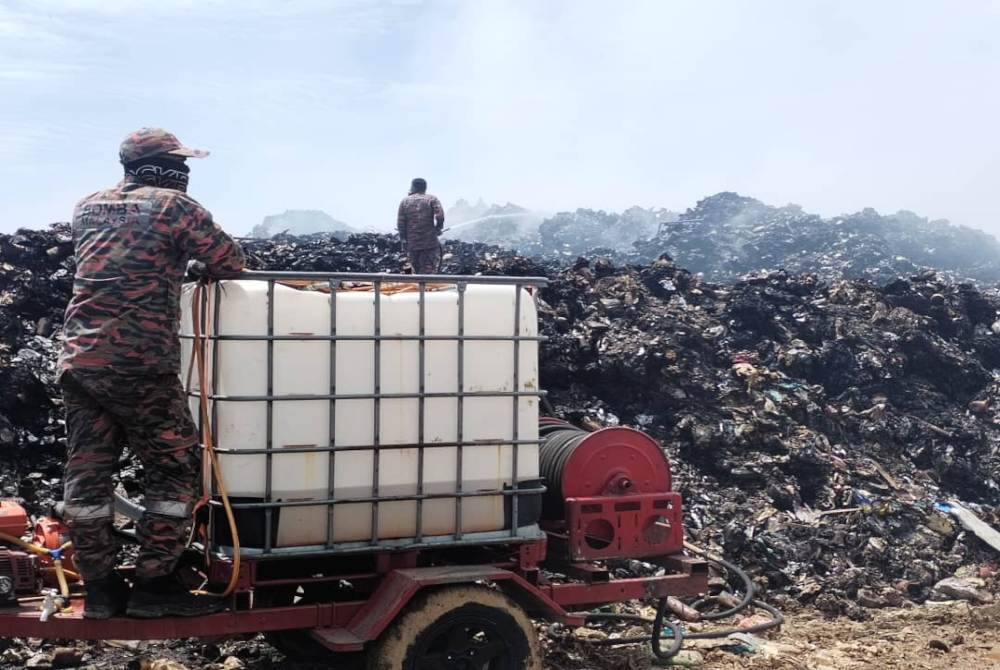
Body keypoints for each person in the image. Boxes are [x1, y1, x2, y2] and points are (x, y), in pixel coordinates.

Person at [59, 127, 246, 619]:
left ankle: (99, 589)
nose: (185, 172)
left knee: (87, 475)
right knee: (173, 469)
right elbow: (230, 261)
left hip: (80, 362)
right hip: (140, 363)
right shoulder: (174, 207)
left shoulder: (86, 206)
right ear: (164, 166)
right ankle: (154, 585)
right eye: (180, 163)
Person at [397, 177, 445, 274]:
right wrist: (438, 229)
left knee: (415, 271)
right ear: (425, 188)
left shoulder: (405, 201)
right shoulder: (432, 199)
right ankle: (426, 288)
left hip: (412, 244)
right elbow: (440, 216)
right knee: (428, 270)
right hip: (429, 243)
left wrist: (403, 240)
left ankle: (419, 287)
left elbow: (400, 223)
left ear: (413, 187)